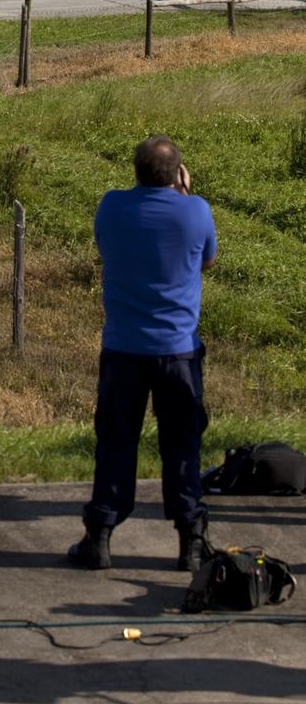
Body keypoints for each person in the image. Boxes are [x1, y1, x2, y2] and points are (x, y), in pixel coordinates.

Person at [69, 136, 217, 572]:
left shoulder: (111, 207)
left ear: (135, 171)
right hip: (178, 351)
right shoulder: (196, 211)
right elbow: (205, 261)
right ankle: (190, 539)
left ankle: (100, 535)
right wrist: (185, 197)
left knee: (115, 441)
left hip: (123, 348)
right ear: (178, 174)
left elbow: (105, 248)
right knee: (182, 444)